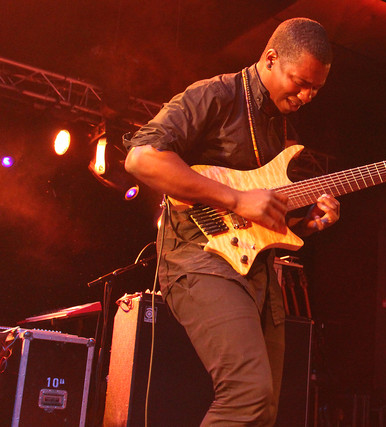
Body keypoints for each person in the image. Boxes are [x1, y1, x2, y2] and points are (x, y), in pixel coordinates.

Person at [123, 17, 340, 426]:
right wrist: (237, 199)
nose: (308, 95)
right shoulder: (215, 95)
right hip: (198, 260)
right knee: (247, 394)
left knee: (264, 410)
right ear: (271, 59)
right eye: (300, 82)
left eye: (317, 88)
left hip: (257, 273)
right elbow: (142, 158)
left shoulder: (279, 127)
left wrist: (308, 224)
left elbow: (262, 220)